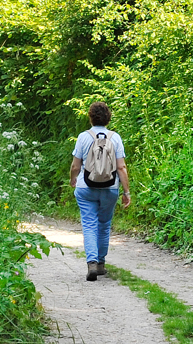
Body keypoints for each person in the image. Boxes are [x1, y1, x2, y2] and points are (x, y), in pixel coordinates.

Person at [69, 101, 130, 281]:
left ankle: (92, 263)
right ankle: (101, 264)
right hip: (110, 188)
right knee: (104, 225)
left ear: (90, 118)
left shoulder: (83, 137)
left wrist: (73, 178)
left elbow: (75, 165)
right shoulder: (115, 138)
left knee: (89, 224)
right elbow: (121, 167)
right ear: (108, 118)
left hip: (85, 187)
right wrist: (126, 192)